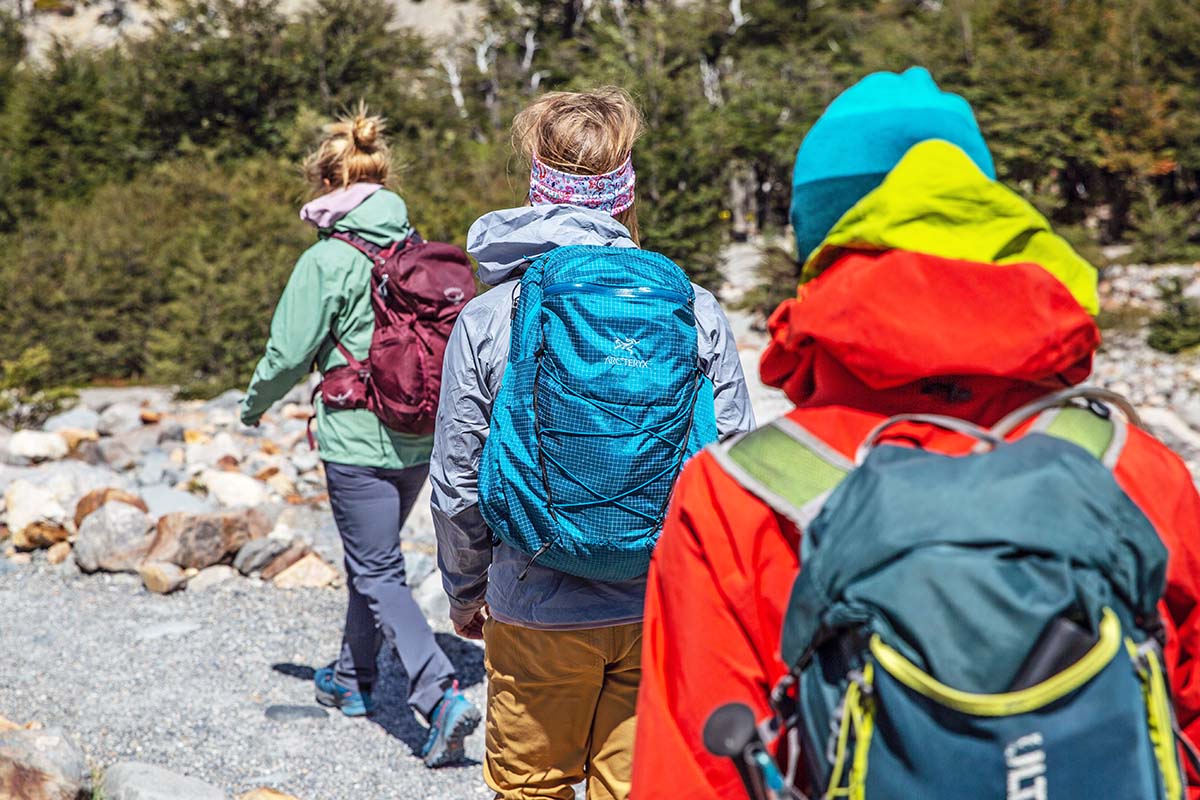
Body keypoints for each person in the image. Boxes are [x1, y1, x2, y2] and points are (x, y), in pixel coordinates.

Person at [631, 67, 1200, 798]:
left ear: (821, 244)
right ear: (986, 214)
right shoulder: (1133, 466)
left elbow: (693, 773)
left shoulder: (734, 496)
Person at [430, 87, 754, 800]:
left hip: (534, 601)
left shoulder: (493, 314)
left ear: (537, 182)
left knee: (531, 787)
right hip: (657, 607)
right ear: (624, 191)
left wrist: (464, 589)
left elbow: (457, 479)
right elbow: (733, 459)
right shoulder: (691, 305)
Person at [239, 106, 480, 768]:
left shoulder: (329, 259)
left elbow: (289, 354)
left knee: (376, 567)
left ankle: (438, 695)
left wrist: (252, 406)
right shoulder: (413, 245)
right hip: (420, 433)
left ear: (325, 186)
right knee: (370, 560)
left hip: (356, 433)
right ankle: (353, 681)